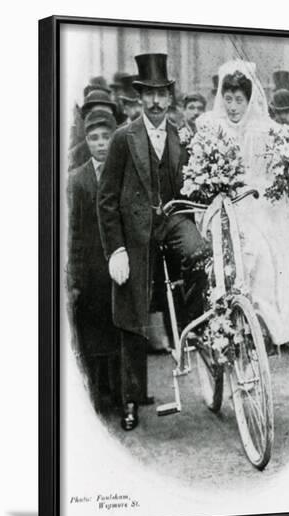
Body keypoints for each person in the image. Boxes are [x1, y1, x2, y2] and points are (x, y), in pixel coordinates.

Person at [97, 53, 207, 431]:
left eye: (163, 94)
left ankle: (195, 325)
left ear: (169, 97)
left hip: (173, 220)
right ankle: (130, 400)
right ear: (140, 98)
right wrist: (116, 248)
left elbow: (188, 187)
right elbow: (107, 199)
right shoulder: (122, 138)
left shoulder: (178, 135)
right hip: (135, 234)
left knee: (201, 253)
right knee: (132, 316)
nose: (157, 102)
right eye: (150, 95)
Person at [195, 59, 289, 347]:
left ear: (249, 99)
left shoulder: (264, 130)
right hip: (224, 205)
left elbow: (272, 172)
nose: (232, 107)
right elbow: (203, 176)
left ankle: (277, 325)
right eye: (228, 99)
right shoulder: (210, 127)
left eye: (238, 100)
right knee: (255, 248)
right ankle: (251, 320)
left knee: (282, 247)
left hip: (258, 203)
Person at [67, 109, 121, 415]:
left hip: (118, 268)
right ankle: (97, 398)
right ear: (86, 141)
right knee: (91, 338)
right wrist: (74, 277)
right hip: (90, 271)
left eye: (106, 137)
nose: (100, 144)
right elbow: (71, 232)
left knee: (117, 337)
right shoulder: (76, 180)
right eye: (93, 138)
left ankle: (121, 396)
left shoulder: (124, 173)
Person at [69, 89, 117, 170]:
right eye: (98, 114)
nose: (104, 119)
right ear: (87, 117)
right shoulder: (76, 155)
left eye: (108, 114)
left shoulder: (125, 145)